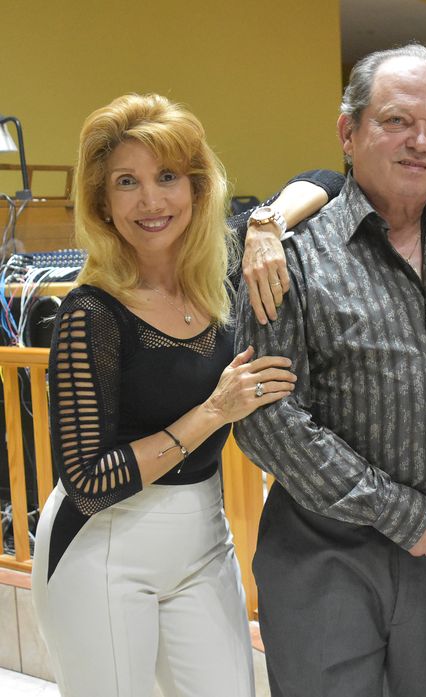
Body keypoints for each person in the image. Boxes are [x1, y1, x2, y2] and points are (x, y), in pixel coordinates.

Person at [234, 44, 426, 697]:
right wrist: (395, 509)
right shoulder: (289, 256)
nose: (420, 142)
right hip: (326, 551)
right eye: (397, 121)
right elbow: (265, 417)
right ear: (348, 133)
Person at [30, 93, 341, 697]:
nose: (151, 201)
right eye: (128, 182)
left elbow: (325, 178)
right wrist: (213, 413)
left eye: (167, 177)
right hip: (103, 548)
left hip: (202, 539)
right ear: (102, 201)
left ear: (196, 188)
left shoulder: (221, 270)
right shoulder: (90, 313)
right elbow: (87, 481)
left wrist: (263, 223)